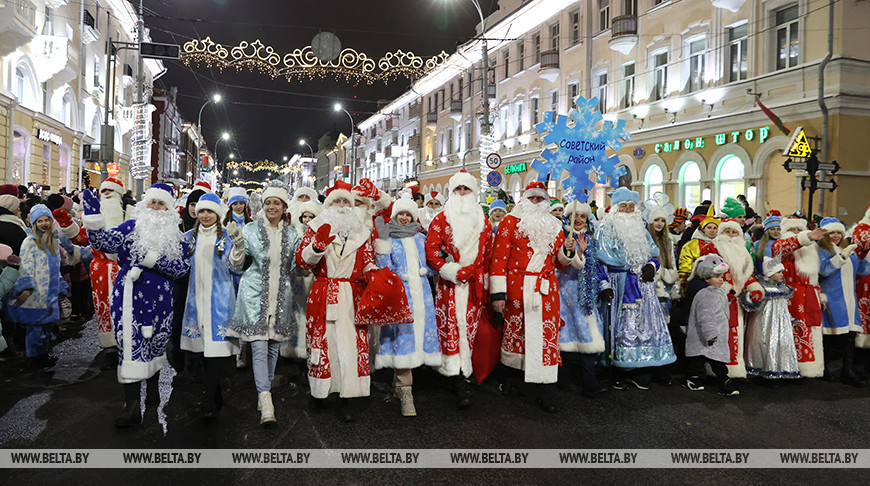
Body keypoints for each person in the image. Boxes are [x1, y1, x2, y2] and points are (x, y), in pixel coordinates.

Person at [83, 183, 191, 428]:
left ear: (169, 209)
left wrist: (152, 260)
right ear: (144, 204)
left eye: (161, 203)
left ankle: (153, 394)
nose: (155, 207)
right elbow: (105, 243)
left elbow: (182, 269)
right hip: (129, 297)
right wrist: (92, 217)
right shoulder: (131, 226)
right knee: (129, 345)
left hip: (161, 299)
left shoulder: (176, 236)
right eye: (152, 202)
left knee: (155, 343)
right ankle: (131, 405)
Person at [295, 180, 377, 422]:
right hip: (324, 292)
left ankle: (348, 396)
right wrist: (316, 247)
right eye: (337, 201)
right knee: (324, 344)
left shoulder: (363, 232)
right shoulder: (315, 227)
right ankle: (321, 391)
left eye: (346, 202)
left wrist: (372, 274)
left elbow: (369, 260)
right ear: (328, 205)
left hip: (352, 295)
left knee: (351, 346)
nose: (342, 206)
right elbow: (302, 265)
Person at [490, 182, 569, 412]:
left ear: (546, 202)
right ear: (524, 200)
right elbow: (499, 259)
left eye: (540, 199)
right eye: (532, 199)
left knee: (545, 337)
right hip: (518, 288)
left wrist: (569, 250)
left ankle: (544, 389)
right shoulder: (509, 222)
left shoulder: (555, 226)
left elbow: (559, 263)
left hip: (546, 290)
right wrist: (498, 294)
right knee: (517, 335)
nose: (536, 203)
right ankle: (510, 379)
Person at [226, 183, 299, 426]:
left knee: (272, 349)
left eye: (276, 203)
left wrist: (314, 250)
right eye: (268, 202)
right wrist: (237, 246)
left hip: (280, 298)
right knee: (258, 348)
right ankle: (266, 400)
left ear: (284, 207)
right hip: (254, 296)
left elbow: (298, 267)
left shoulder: (292, 234)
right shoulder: (249, 230)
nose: (271, 206)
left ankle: (263, 390)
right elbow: (236, 265)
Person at [425, 170, 493, 408]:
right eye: (458, 189)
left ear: (474, 192)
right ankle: (456, 376)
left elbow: (488, 255)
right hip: (450, 285)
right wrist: (451, 270)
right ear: (452, 192)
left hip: (475, 285)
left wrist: (484, 282)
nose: (463, 193)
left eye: (467, 189)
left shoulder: (484, 221)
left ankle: (467, 370)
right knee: (451, 328)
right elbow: (431, 251)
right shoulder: (441, 219)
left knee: (471, 329)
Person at [596, 187, 676, 389]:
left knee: (643, 327)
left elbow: (653, 255)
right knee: (620, 328)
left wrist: (651, 266)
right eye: (623, 206)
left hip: (643, 287)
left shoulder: (641, 229)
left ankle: (641, 366)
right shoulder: (604, 231)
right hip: (618, 284)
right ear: (615, 208)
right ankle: (616, 370)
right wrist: (603, 284)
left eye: (631, 207)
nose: (628, 210)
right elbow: (597, 262)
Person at [372, 197, 440, 417]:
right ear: (394, 216)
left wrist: (426, 272)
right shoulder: (388, 239)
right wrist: (384, 252)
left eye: (408, 214)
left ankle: (398, 385)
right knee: (403, 341)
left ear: (413, 216)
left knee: (418, 339)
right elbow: (384, 268)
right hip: (401, 296)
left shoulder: (421, 238)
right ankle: (406, 392)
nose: (404, 218)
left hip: (423, 298)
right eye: (401, 214)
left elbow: (432, 264)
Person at [180, 193, 244, 422]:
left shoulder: (227, 237)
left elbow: (237, 270)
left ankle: (208, 399)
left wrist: (239, 248)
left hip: (220, 302)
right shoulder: (188, 238)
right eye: (202, 212)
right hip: (196, 301)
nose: (205, 215)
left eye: (210, 211)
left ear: (217, 214)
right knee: (203, 353)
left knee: (216, 353)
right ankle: (214, 395)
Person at [700, 219, 766, 378]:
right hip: (717, 300)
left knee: (736, 335)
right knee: (718, 335)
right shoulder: (711, 248)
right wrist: (724, 289)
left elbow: (746, 276)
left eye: (734, 232)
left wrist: (755, 288)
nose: (730, 235)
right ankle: (717, 371)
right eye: (727, 232)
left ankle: (735, 370)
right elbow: (705, 272)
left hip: (736, 302)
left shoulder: (742, 251)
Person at [556, 201, 609, 398]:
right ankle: (563, 380)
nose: (578, 220)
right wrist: (575, 251)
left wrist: (603, 285)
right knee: (565, 337)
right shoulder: (561, 236)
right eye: (574, 215)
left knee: (588, 337)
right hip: (564, 293)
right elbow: (563, 264)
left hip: (585, 296)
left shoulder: (590, 240)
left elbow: (594, 267)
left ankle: (589, 382)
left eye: (583, 217)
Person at [7, 205, 66, 369]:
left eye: (47, 220)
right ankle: (34, 358)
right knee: (35, 328)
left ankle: (43, 354)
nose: (44, 223)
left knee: (47, 326)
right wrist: (26, 287)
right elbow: (24, 266)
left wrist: (60, 284)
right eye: (40, 221)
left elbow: (57, 266)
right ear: (34, 223)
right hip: (36, 292)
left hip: (50, 291)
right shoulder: (29, 242)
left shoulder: (53, 240)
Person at [772, 217, 828, 378]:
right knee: (792, 331)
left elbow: (813, 277)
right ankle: (790, 368)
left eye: (799, 230)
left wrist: (819, 295)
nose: (796, 233)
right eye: (792, 230)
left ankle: (809, 367)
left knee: (811, 329)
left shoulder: (811, 250)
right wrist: (806, 237)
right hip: (790, 297)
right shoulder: (779, 245)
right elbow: (781, 248)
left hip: (810, 296)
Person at [817, 217, 870, 386]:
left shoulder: (848, 249)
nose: (836, 236)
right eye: (832, 232)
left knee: (849, 335)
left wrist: (866, 254)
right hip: (831, 298)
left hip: (848, 299)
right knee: (829, 335)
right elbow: (823, 270)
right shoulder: (821, 250)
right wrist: (841, 257)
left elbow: (862, 270)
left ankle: (847, 372)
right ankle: (823, 368)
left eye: (839, 232)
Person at [684, 254, 739, 396]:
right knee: (701, 360)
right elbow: (706, 316)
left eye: (721, 276)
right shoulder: (705, 294)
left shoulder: (717, 291)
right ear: (707, 278)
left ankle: (723, 382)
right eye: (717, 276)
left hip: (716, 335)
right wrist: (710, 334)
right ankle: (694, 379)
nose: (721, 279)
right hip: (709, 335)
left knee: (714, 360)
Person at [742, 255, 801, 383]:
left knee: (780, 344)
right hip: (764, 322)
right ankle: (763, 371)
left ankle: (781, 368)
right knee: (764, 343)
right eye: (778, 272)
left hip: (781, 322)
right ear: (770, 273)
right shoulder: (761, 288)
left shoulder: (783, 288)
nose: (782, 274)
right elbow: (751, 303)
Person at [87, 178, 127, 369]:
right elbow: (81, 237)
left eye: (112, 190)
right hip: (101, 270)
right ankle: (109, 348)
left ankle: (126, 345)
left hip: (123, 269)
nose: (107, 194)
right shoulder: (94, 216)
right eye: (104, 190)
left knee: (125, 307)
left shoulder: (128, 215)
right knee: (103, 308)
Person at [281, 200, 322, 363]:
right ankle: (293, 351)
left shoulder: (321, 236)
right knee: (295, 315)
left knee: (310, 316)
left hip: (314, 281)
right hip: (296, 281)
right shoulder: (295, 234)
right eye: (304, 216)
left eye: (311, 216)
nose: (307, 219)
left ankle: (309, 353)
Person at [0, 187, 29, 359]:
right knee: (10, 310)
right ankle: (11, 345)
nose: (20, 210)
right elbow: (23, 253)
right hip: (12, 274)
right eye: (17, 207)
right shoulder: (16, 227)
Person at [679, 208, 719, 292]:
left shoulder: (721, 244)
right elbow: (685, 268)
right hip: (697, 282)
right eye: (709, 227)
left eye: (715, 228)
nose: (712, 230)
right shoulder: (691, 245)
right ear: (703, 229)